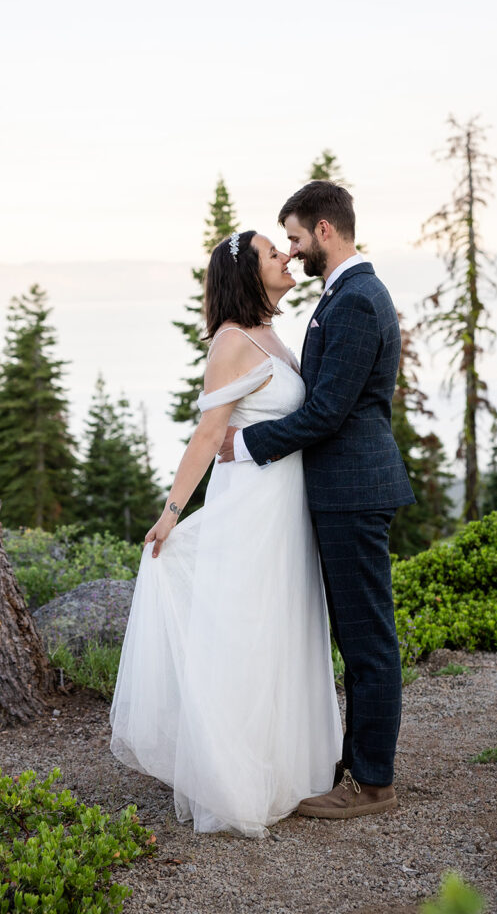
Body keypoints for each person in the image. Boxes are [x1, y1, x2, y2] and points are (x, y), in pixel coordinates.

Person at [109, 230, 342, 839]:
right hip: (253, 510)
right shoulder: (232, 343)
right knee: (248, 631)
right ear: (247, 273)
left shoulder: (269, 333)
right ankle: (236, 780)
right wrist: (171, 510)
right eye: (273, 252)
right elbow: (209, 435)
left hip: (287, 507)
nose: (286, 256)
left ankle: (289, 767)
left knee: (286, 626)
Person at [219, 181, 415, 819]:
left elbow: (329, 412)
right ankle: (358, 761)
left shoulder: (356, 300)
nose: (295, 253)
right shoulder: (345, 294)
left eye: (297, 239)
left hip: (353, 490)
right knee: (358, 636)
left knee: (367, 640)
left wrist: (248, 444)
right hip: (343, 490)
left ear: (325, 231)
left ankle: (372, 782)